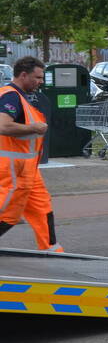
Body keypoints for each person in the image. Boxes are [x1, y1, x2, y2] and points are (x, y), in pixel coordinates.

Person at [0, 56, 63, 252]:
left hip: (28, 169)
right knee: (8, 213)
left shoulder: (21, 96)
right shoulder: (10, 96)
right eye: (37, 77)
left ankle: (52, 250)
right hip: (13, 168)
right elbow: (3, 126)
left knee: (42, 207)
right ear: (23, 75)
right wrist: (33, 127)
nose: (41, 82)